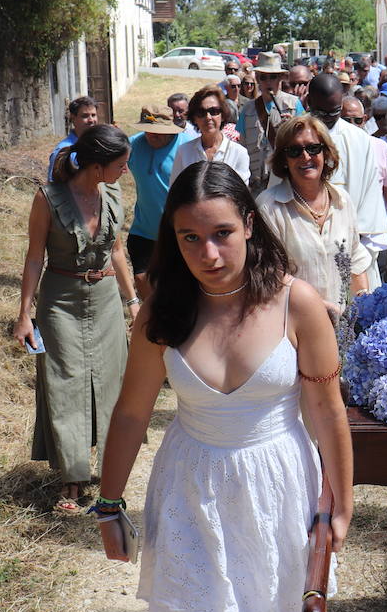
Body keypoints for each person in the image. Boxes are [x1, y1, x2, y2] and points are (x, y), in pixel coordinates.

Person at [95, 161, 353, 612]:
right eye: (190, 237)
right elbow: (132, 412)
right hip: (193, 490)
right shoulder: (161, 310)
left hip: (278, 484)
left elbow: (327, 410)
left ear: (250, 228)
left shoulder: (298, 303)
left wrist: (341, 504)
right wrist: (108, 503)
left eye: (222, 234)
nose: (208, 252)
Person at [14, 124, 140, 513]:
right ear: (97, 165)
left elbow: (116, 251)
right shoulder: (48, 199)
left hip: (104, 301)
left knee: (109, 385)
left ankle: (107, 473)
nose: (125, 172)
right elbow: (35, 257)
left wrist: (133, 300)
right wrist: (24, 315)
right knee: (64, 385)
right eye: (120, 165)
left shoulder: (114, 194)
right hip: (60, 301)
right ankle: (72, 480)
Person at [256, 116, 371, 320]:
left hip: (341, 326)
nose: (305, 157)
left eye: (313, 148)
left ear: (326, 152)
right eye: (294, 151)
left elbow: (355, 257)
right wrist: (321, 308)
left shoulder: (342, 200)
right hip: (293, 326)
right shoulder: (269, 207)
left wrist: (363, 302)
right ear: (284, 159)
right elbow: (271, 277)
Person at [293, 74, 387, 287]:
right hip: (305, 245)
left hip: (352, 246)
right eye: (321, 113)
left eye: (334, 113)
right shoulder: (294, 135)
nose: (327, 119)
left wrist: (357, 245)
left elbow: (370, 197)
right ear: (309, 103)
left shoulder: (360, 140)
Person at [126, 105, 192, 291]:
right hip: (143, 230)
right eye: (148, 131)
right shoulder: (134, 145)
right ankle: (153, 317)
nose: (152, 136)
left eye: (158, 132)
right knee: (142, 280)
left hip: (177, 232)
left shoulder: (187, 147)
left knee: (177, 287)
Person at [342, 95, 387, 262]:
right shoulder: (330, 149)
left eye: (357, 120)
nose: (352, 125)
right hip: (340, 234)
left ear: (364, 119)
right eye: (346, 120)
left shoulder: (380, 147)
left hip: (374, 234)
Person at [238, 53, 304, 193]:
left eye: (273, 77)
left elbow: (305, 140)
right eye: (263, 77)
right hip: (255, 181)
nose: (268, 82)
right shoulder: (247, 109)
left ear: (280, 78)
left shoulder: (294, 104)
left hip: (284, 180)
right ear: (257, 79)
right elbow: (242, 146)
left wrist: (292, 129)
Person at [171, 85, 252, 185]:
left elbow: (241, 195)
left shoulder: (239, 153)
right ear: (194, 118)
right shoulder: (184, 152)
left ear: (222, 116)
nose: (208, 117)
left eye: (214, 111)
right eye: (201, 112)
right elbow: (175, 191)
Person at [47, 95, 100, 182]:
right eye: (85, 116)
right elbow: (54, 186)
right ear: (73, 118)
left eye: (93, 115)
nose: (91, 120)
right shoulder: (64, 151)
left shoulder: (96, 145)